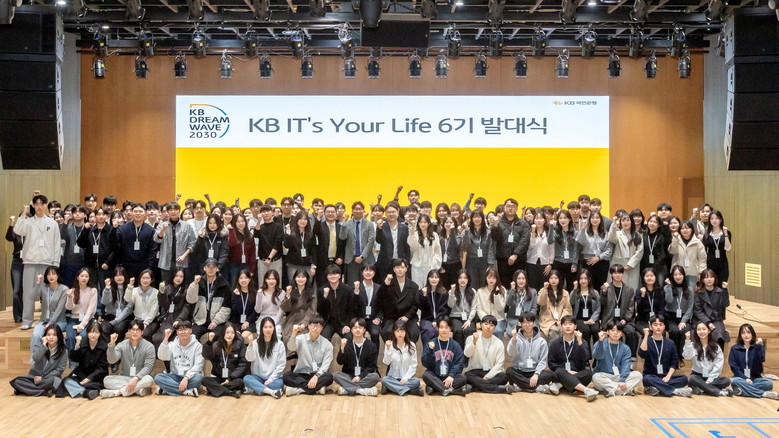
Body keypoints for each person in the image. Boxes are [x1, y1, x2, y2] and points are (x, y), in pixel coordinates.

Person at [14, 194, 61, 330]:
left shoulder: (52, 223)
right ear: (33, 206)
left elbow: (56, 244)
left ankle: (46, 319)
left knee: (46, 292)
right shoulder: (28, 222)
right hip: (30, 261)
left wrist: (55, 264)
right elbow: (17, 230)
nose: (39, 206)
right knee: (28, 292)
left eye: (42, 204)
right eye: (37, 204)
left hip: (47, 262)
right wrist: (23, 213)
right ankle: (27, 320)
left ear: (46, 205)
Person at [546, 315, 598, 401]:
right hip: (561, 373)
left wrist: (580, 342)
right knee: (558, 372)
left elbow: (586, 358)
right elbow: (551, 364)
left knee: (588, 373)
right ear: (561, 327)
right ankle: (586, 390)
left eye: (570, 324)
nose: (568, 326)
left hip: (577, 373)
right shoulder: (555, 344)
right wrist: (567, 372)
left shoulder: (582, 342)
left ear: (575, 326)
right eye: (565, 324)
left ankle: (560, 385)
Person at [101, 319, 156, 398]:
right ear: (129, 331)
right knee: (106, 380)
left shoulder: (149, 346)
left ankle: (119, 392)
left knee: (149, 380)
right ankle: (138, 390)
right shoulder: (122, 345)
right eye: (133, 329)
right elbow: (111, 360)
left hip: (141, 378)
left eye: (137, 330)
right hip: (125, 377)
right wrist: (112, 344)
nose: (135, 332)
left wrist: (136, 378)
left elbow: (148, 367)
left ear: (142, 332)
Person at [639, 315, 692, 397]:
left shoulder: (670, 343)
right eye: (655, 325)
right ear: (650, 327)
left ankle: (656, 388)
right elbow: (642, 354)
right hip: (651, 376)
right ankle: (674, 391)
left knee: (684, 378)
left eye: (660, 324)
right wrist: (646, 335)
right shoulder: (647, 341)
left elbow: (674, 362)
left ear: (664, 326)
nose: (658, 327)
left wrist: (668, 376)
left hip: (666, 377)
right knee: (647, 379)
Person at [10, 323, 67, 396]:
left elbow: (59, 370)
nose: (51, 337)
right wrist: (44, 345)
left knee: (50, 381)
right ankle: (42, 392)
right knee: (16, 381)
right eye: (48, 334)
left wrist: (43, 378)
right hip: (34, 377)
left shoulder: (64, 351)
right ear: (45, 336)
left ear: (58, 336)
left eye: (54, 335)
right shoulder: (39, 345)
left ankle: (25, 389)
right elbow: (35, 358)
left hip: (50, 378)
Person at [283, 315, 334, 396]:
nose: (315, 328)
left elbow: (325, 365)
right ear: (309, 326)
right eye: (313, 326)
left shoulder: (327, 344)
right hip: (301, 373)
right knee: (286, 376)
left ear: (322, 328)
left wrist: (316, 376)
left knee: (329, 377)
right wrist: (293, 333)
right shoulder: (301, 338)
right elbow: (291, 347)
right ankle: (316, 389)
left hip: (317, 374)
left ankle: (298, 390)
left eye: (318, 326)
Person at [57, 320, 108, 399]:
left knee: (92, 385)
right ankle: (85, 392)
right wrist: (77, 345)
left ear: (100, 334)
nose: (93, 335)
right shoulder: (82, 343)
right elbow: (74, 358)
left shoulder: (104, 347)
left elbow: (102, 368)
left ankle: (79, 390)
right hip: (82, 374)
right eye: (91, 332)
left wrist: (89, 378)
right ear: (87, 333)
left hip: (96, 376)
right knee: (66, 381)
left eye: (96, 332)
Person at [505, 312, 555, 393]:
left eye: (529, 322)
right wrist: (514, 340)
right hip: (520, 371)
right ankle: (536, 388)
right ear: (520, 324)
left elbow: (542, 361)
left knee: (550, 374)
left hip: (534, 371)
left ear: (534, 323)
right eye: (524, 322)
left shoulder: (541, 341)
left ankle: (521, 387)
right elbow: (511, 353)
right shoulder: (516, 339)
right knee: (509, 371)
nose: (527, 325)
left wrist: (536, 374)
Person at [464, 315, 513, 394]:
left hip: (491, 372)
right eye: (486, 324)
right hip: (475, 371)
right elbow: (467, 354)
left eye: (491, 325)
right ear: (481, 324)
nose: (488, 327)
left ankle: (476, 386)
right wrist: (474, 342)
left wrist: (487, 377)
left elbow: (499, 364)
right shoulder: (471, 338)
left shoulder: (499, 343)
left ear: (495, 327)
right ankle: (500, 389)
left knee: (503, 377)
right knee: (467, 376)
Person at [591, 321, 642, 396]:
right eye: (613, 330)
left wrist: (622, 380)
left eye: (618, 331)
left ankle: (612, 390)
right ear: (608, 332)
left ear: (621, 334)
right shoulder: (601, 343)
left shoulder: (625, 348)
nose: (615, 333)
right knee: (596, 377)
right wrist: (600, 341)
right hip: (604, 375)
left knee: (638, 375)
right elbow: (597, 356)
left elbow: (626, 365)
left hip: (619, 376)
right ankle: (624, 390)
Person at [728, 323, 779, 399]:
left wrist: (758, 347)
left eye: (748, 332)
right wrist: (745, 378)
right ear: (740, 335)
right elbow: (734, 367)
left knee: (769, 384)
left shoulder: (758, 347)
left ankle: (741, 390)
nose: (746, 335)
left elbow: (762, 359)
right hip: (741, 378)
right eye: (743, 333)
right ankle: (764, 394)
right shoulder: (734, 348)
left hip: (755, 378)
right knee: (734, 381)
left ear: (752, 334)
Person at [186, 258, 232, 341]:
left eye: (213, 267)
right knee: (192, 337)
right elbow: (190, 300)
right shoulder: (198, 283)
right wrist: (194, 284)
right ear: (204, 268)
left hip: (217, 322)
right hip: (200, 320)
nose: (211, 269)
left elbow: (226, 308)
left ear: (217, 269)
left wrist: (216, 321)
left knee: (216, 336)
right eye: (208, 267)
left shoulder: (224, 285)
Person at [421, 316, 468, 396]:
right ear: (437, 328)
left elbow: (458, 363)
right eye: (441, 327)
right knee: (426, 375)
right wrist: (430, 351)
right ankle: (455, 391)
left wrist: (451, 376)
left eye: (446, 327)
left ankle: (436, 387)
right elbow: (425, 363)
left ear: (450, 329)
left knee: (463, 378)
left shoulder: (455, 345)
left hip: (449, 376)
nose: (444, 330)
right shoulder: (431, 343)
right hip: (435, 375)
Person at [376, 258, 421, 342]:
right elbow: (380, 296)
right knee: (386, 331)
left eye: (402, 267)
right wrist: (386, 283)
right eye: (397, 267)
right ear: (394, 269)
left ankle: (409, 350)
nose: (400, 269)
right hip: (392, 317)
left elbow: (415, 305)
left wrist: (406, 317)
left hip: (408, 318)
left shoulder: (414, 286)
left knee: (414, 332)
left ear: (406, 268)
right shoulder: (388, 283)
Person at [155, 321, 204, 397]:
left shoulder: (197, 346)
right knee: (158, 378)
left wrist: (186, 377)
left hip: (190, 377)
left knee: (198, 378)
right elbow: (162, 357)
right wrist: (166, 339)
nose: (183, 332)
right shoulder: (172, 345)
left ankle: (168, 389)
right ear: (177, 332)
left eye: (185, 329)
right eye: (180, 330)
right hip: (175, 376)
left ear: (190, 331)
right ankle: (187, 391)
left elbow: (198, 365)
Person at [683, 322, 732, 396]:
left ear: (709, 331)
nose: (701, 332)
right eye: (699, 330)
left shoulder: (716, 347)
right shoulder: (692, 345)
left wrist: (710, 379)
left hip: (711, 375)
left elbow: (718, 365)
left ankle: (702, 389)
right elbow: (687, 357)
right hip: (697, 375)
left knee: (726, 380)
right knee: (692, 378)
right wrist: (687, 341)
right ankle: (717, 391)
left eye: (704, 329)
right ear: (696, 332)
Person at [334, 318, 380, 396]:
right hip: (349, 376)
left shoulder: (371, 345)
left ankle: (347, 389)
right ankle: (360, 390)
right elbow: (340, 362)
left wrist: (360, 377)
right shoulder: (346, 344)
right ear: (351, 330)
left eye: (360, 328)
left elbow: (372, 366)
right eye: (355, 328)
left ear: (364, 330)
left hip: (363, 376)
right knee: (336, 375)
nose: (357, 330)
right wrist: (342, 348)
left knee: (375, 377)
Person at [491, 198, 530, 288]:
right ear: (504, 208)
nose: (510, 208)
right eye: (508, 206)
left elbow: (525, 241)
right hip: (503, 260)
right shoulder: (498, 222)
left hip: (519, 260)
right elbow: (495, 238)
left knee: (519, 285)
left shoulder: (523, 223)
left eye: (513, 206)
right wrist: (495, 226)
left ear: (516, 209)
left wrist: (515, 254)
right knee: (504, 285)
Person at [599, 264, 638, 357]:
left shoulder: (629, 290)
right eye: (615, 273)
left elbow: (631, 307)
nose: (618, 275)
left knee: (631, 333)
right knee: (614, 333)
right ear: (611, 274)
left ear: (623, 274)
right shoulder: (605, 288)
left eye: (620, 273)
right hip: (610, 320)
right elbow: (602, 303)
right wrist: (604, 292)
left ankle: (630, 357)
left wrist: (626, 319)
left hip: (623, 319)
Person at [243, 317, 286, 398]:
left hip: (273, 378)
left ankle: (257, 388)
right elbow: (249, 359)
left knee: (278, 384)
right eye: (265, 327)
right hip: (258, 377)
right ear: (261, 329)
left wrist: (270, 379)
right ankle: (271, 392)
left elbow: (281, 365)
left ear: (274, 328)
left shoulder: (279, 344)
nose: (268, 329)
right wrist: (250, 346)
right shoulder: (255, 343)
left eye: (270, 327)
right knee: (247, 378)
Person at [154, 202, 196, 284]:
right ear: (167, 212)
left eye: (175, 209)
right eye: (170, 210)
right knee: (165, 286)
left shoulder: (186, 226)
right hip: (165, 262)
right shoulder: (162, 225)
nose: (173, 212)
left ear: (179, 211)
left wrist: (184, 255)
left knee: (181, 286)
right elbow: (157, 239)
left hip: (181, 261)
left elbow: (193, 243)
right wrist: (163, 230)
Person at [29, 267, 68, 354]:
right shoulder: (43, 288)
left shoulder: (64, 289)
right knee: (36, 335)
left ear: (58, 275)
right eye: (49, 274)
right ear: (46, 276)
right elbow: (32, 297)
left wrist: (50, 323)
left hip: (59, 321)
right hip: (43, 321)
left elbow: (59, 309)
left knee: (52, 335)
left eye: (53, 274)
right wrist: (38, 283)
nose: (51, 276)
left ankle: (55, 359)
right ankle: (34, 359)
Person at [114, 203, 156, 283]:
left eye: (140, 211)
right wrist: (114, 228)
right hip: (126, 266)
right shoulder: (122, 229)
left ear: (145, 213)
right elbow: (115, 245)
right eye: (135, 211)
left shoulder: (150, 230)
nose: (138, 213)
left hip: (144, 266)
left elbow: (152, 250)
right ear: (132, 213)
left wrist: (149, 268)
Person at [202, 323, 247, 398]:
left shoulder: (240, 345)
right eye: (227, 332)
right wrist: (209, 342)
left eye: (232, 333)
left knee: (240, 383)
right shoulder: (216, 345)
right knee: (205, 380)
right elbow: (208, 356)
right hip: (220, 376)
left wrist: (230, 378)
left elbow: (242, 365)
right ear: (223, 333)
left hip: (232, 378)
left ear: (235, 334)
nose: (229, 335)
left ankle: (214, 389)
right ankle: (230, 392)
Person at [381, 320, 423, 396]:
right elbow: (386, 362)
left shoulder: (412, 345)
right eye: (397, 331)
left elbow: (413, 365)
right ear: (394, 332)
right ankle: (411, 391)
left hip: (407, 379)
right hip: (393, 378)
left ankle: (393, 388)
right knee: (384, 380)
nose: (400, 334)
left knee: (416, 381)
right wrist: (388, 349)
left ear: (406, 332)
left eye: (402, 331)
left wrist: (405, 378)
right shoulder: (389, 344)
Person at [317, 264, 357, 341]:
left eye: (335, 274)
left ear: (339, 275)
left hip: (343, 322)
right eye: (330, 274)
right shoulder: (322, 290)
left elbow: (352, 310)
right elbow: (319, 310)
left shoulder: (347, 289)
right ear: (327, 276)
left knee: (349, 338)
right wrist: (324, 297)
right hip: (328, 323)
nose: (332, 276)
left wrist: (348, 325)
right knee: (323, 339)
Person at [692, 269, 730, 350]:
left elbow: (725, 304)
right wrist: (708, 322)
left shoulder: (720, 291)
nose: (709, 279)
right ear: (702, 280)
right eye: (706, 277)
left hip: (716, 319)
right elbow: (697, 311)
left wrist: (724, 290)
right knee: (699, 332)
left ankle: (718, 356)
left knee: (719, 334)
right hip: (702, 320)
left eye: (711, 277)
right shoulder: (698, 292)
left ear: (715, 279)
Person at [339, 201, 376, 284]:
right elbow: (342, 237)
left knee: (366, 284)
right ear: (352, 211)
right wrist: (343, 224)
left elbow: (371, 241)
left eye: (360, 209)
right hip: (351, 259)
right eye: (356, 209)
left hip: (366, 259)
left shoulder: (369, 224)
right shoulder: (347, 224)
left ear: (363, 210)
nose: (358, 211)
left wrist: (362, 256)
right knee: (352, 285)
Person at [664, 265, 694, 364]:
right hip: (671, 317)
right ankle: (674, 357)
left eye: (680, 274)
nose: (678, 277)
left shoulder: (689, 289)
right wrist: (669, 286)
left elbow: (690, 307)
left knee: (684, 331)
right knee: (675, 331)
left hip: (684, 317)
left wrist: (683, 321)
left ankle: (679, 357)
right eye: (675, 274)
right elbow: (669, 300)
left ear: (684, 275)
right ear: (672, 276)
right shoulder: (667, 287)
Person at [64, 268, 98, 354]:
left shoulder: (93, 291)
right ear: (77, 277)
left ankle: (83, 360)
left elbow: (90, 310)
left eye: (86, 276)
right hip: (74, 319)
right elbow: (69, 308)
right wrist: (69, 297)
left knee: (83, 336)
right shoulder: (73, 290)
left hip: (88, 320)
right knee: (70, 337)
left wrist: (82, 325)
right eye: (82, 276)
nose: (84, 278)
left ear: (89, 278)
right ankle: (72, 360)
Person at [576, 211, 612, 291]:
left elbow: (609, 250)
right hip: (588, 262)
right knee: (588, 285)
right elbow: (580, 242)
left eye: (597, 218)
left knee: (601, 286)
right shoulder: (585, 231)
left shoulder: (606, 233)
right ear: (589, 219)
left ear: (601, 219)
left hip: (602, 262)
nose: (595, 220)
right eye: (592, 218)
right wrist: (582, 229)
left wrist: (598, 258)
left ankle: (600, 299)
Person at [608, 212, 644, 291]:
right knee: (615, 289)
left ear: (632, 222)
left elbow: (639, 252)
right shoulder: (617, 234)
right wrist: (614, 224)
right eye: (623, 220)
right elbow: (611, 238)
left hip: (632, 267)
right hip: (618, 265)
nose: (625, 222)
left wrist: (630, 265)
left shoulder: (638, 235)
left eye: (628, 220)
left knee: (630, 289)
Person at [280, 270, 318, 342]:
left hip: (306, 319)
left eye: (303, 277)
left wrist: (304, 324)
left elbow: (312, 311)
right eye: (298, 277)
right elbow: (285, 309)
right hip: (292, 319)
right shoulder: (291, 291)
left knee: (301, 338)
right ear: (295, 278)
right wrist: (287, 295)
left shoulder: (311, 293)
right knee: (287, 338)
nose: (300, 279)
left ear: (307, 279)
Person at [461, 209, 495, 289]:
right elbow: (465, 245)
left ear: (483, 219)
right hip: (471, 260)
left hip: (484, 261)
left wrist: (490, 264)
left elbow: (491, 248)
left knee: (484, 283)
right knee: (472, 284)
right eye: (475, 217)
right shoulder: (466, 231)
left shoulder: (488, 232)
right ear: (471, 219)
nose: (477, 219)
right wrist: (466, 231)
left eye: (479, 217)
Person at [668, 221, 707, 291]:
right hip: (678, 273)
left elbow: (702, 259)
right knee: (678, 292)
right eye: (682, 228)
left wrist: (701, 272)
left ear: (692, 229)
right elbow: (672, 251)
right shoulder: (677, 240)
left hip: (693, 272)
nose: (685, 230)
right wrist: (675, 239)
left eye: (687, 228)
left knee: (691, 292)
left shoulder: (697, 242)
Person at [536, 270, 572, 343]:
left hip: (561, 319)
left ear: (559, 280)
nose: (553, 280)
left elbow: (567, 309)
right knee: (553, 330)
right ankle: (554, 350)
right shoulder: (543, 290)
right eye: (551, 278)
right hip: (548, 319)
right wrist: (545, 290)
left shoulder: (565, 293)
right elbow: (541, 303)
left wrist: (562, 320)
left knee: (562, 330)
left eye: (556, 278)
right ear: (548, 280)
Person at [124, 269, 159, 342]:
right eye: (143, 278)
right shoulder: (135, 290)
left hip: (151, 321)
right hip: (137, 320)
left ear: (151, 280)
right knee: (131, 334)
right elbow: (127, 299)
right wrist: (130, 286)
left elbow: (154, 310)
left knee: (145, 334)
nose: (145, 280)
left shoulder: (156, 292)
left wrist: (145, 323)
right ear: (139, 279)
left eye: (148, 278)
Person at [284, 211, 318, 285]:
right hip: (293, 264)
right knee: (293, 284)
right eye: (301, 219)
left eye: (305, 219)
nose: (303, 221)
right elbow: (286, 245)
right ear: (297, 220)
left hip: (308, 265)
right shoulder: (291, 233)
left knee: (308, 285)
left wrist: (313, 265)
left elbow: (313, 251)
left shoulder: (311, 234)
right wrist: (288, 233)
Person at [315, 204, 346, 285]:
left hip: (337, 262)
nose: (330, 214)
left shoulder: (341, 227)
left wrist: (341, 257)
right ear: (324, 213)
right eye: (328, 212)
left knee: (336, 285)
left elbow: (344, 245)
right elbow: (315, 233)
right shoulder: (320, 226)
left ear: (336, 213)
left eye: (332, 212)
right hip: (322, 262)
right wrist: (318, 217)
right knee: (322, 285)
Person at [547, 209, 578, 291]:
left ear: (569, 219)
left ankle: (570, 300)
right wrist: (551, 226)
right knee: (558, 286)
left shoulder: (575, 232)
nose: (562, 220)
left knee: (571, 286)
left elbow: (576, 249)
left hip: (571, 263)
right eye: (560, 218)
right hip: (558, 262)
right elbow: (549, 241)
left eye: (565, 218)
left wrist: (574, 263)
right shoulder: (556, 231)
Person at [569, 269, 601, 349]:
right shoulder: (575, 292)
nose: (583, 281)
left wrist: (593, 319)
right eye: (581, 278)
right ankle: (586, 354)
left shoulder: (595, 292)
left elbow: (598, 308)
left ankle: (597, 354)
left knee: (596, 330)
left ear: (589, 280)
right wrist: (574, 289)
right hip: (579, 319)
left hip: (592, 319)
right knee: (585, 331)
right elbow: (571, 302)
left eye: (585, 278)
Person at [474, 267, 508, 340]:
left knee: (497, 331)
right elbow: (479, 309)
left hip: (499, 319)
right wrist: (486, 319)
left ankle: (499, 347)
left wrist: (497, 295)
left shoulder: (503, 290)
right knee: (487, 330)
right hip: (485, 320)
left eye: (494, 278)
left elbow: (500, 308)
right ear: (486, 278)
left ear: (497, 279)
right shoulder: (480, 291)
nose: (491, 280)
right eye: (489, 277)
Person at [406, 214, 442, 284]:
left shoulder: (434, 235)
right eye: (421, 222)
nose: (423, 224)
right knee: (417, 286)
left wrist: (435, 265)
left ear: (429, 223)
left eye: (425, 222)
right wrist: (412, 227)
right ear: (418, 223)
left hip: (430, 266)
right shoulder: (415, 234)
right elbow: (411, 244)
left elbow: (438, 251)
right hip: (417, 266)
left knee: (429, 286)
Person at [419, 270, 451, 344]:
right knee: (429, 330)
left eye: (436, 277)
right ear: (428, 279)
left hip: (440, 318)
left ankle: (440, 351)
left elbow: (444, 310)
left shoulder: (444, 292)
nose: (434, 279)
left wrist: (436, 320)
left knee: (438, 330)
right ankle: (428, 350)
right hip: (427, 319)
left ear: (439, 279)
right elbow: (421, 307)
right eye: (431, 277)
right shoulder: (422, 291)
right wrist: (424, 296)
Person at [448, 269, 478, 348]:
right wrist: (452, 293)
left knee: (470, 330)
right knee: (458, 330)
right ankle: (459, 353)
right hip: (456, 316)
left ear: (468, 280)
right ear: (457, 279)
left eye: (465, 278)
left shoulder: (473, 291)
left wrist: (469, 320)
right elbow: (450, 305)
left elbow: (474, 308)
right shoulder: (452, 291)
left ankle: (468, 354)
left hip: (469, 317)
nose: (462, 280)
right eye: (460, 278)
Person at [701, 210, 731, 283]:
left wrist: (726, 234)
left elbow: (728, 248)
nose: (714, 221)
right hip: (710, 263)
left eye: (716, 218)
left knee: (722, 284)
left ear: (720, 220)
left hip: (722, 263)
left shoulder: (726, 232)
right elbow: (704, 250)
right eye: (712, 219)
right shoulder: (707, 233)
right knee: (711, 284)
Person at [227, 213, 257, 286]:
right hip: (234, 265)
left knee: (246, 286)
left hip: (246, 265)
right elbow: (231, 244)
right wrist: (231, 230)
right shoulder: (231, 233)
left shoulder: (250, 235)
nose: (241, 223)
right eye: (238, 221)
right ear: (234, 223)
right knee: (234, 286)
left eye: (242, 221)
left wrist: (252, 269)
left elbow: (252, 253)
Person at [526, 211, 553, 291]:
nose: (538, 220)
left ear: (545, 220)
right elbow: (531, 246)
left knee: (544, 287)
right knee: (532, 286)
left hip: (545, 263)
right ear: (533, 220)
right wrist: (533, 232)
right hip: (531, 262)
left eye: (541, 218)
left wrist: (550, 264)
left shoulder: (549, 233)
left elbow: (552, 249)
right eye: (536, 218)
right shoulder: (530, 232)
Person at [354, 264, 382, 341]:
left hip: (373, 319)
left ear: (374, 273)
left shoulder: (379, 288)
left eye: (371, 270)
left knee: (375, 333)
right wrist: (356, 292)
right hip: (360, 319)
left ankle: (374, 349)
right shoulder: (357, 287)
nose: (368, 273)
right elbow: (353, 305)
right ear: (362, 273)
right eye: (366, 270)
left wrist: (378, 318)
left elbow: (382, 306)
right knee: (357, 333)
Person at [634, 267, 666, 335]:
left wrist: (657, 322)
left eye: (652, 276)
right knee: (649, 333)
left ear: (655, 277)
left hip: (657, 320)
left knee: (660, 333)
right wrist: (643, 296)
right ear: (643, 278)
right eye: (647, 276)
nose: (649, 278)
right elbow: (639, 310)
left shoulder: (660, 291)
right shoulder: (639, 291)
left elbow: (661, 309)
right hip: (642, 321)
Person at [6, 213, 25, 323]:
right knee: (17, 290)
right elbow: (9, 237)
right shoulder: (16, 231)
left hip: (30, 262)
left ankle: (27, 314)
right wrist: (11, 224)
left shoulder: (32, 231)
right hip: (17, 262)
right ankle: (18, 315)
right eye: (22, 218)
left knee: (29, 291)